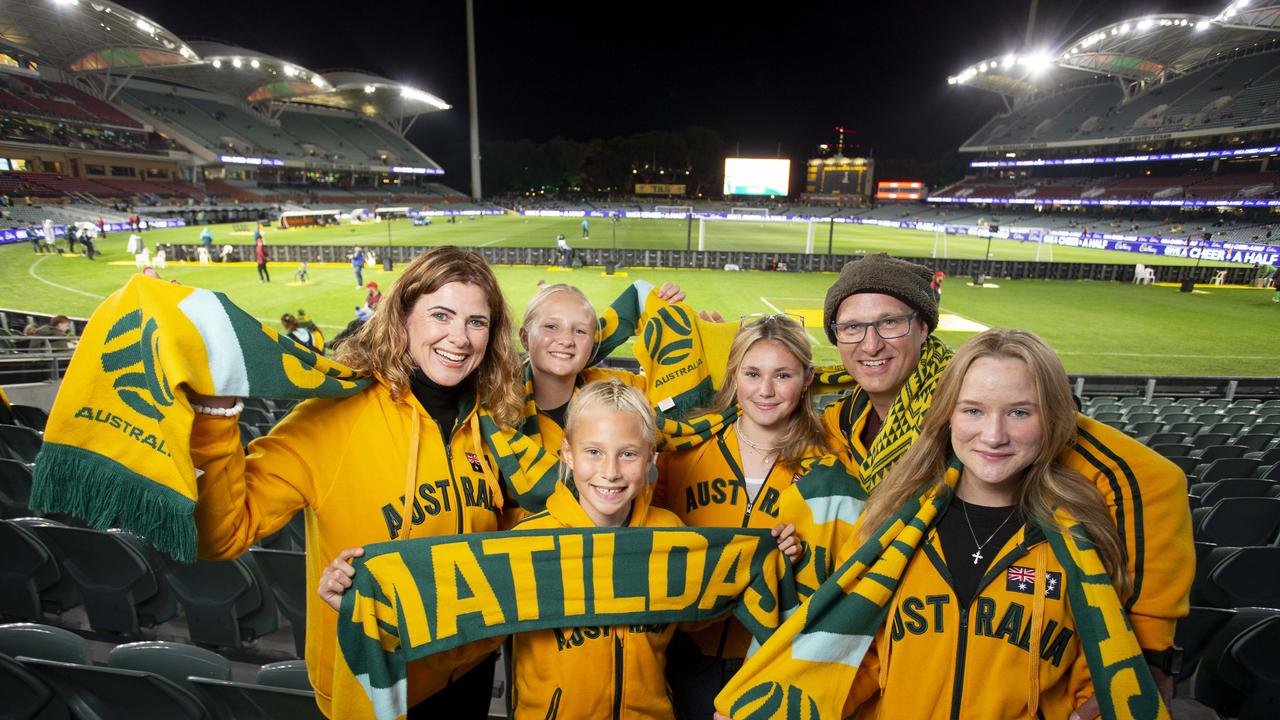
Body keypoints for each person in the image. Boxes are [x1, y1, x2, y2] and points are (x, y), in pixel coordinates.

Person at [807, 253, 1191, 700]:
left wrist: (1146, 657)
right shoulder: (843, 418)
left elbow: (1151, 478)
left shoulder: (985, 391)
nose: (870, 344)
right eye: (852, 327)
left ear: (924, 327)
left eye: (890, 323)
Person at [319, 379, 801, 719]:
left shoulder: (671, 533)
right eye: (593, 452)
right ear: (567, 455)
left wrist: (769, 562)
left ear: (650, 458)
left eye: (628, 454)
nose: (610, 472)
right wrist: (373, 605)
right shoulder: (527, 544)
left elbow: (697, 614)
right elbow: (468, 641)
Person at [186, 246, 525, 718]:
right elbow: (221, 533)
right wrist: (214, 416)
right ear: (402, 317)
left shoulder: (494, 425)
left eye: (477, 322)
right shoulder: (331, 419)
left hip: (470, 670)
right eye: (441, 315)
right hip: (372, 687)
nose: (460, 338)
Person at [841, 328, 1144, 719]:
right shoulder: (890, 521)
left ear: (1051, 418)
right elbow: (847, 658)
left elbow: (1099, 679)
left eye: (1019, 412)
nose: (994, 435)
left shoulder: (1084, 533)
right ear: (947, 415)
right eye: (973, 410)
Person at [656, 314, 836, 720]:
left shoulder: (825, 465)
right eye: (752, 373)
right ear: (734, 375)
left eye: (783, 375)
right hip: (680, 650)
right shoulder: (686, 446)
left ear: (807, 379)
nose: (766, 390)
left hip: (772, 657)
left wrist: (799, 558)